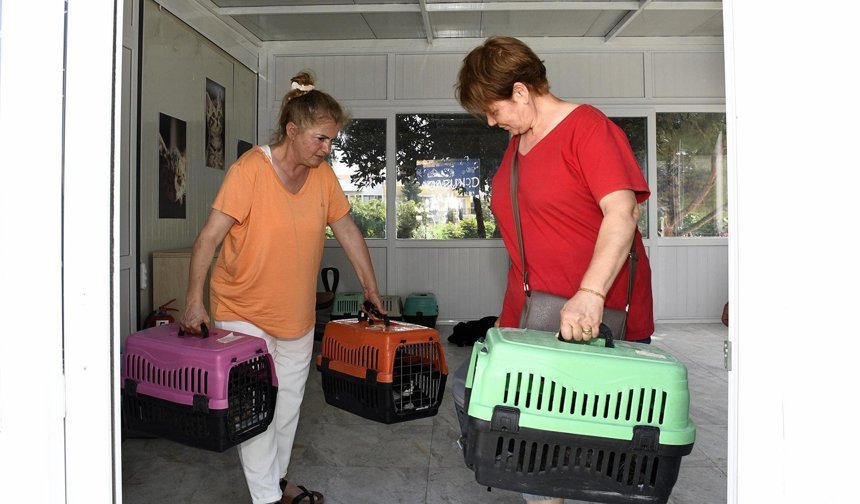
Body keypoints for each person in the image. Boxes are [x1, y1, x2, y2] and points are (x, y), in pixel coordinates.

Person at [455, 36, 655, 504]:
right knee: (529, 457)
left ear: (522, 92)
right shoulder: (518, 142)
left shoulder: (588, 129)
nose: (490, 120)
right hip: (533, 318)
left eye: (493, 108)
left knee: (594, 459)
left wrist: (589, 293)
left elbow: (622, 214)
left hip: (593, 318)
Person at [180, 71, 385, 504]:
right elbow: (209, 238)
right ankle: (267, 499)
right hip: (242, 311)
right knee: (254, 407)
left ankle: (275, 482)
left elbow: (347, 230)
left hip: (296, 316)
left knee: (286, 409)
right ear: (292, 131)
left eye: (331, 140)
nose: (327, 148)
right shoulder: (251, 170)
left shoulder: (323, 177)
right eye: (320, 139)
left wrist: (371, 289)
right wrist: (194, 301)